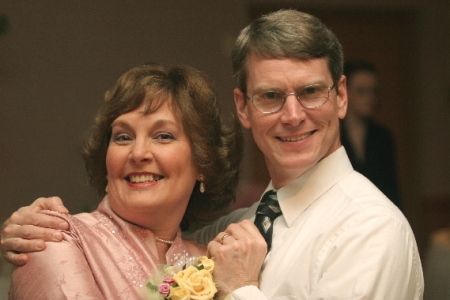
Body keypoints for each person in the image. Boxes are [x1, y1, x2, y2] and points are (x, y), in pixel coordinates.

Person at [2, 9, 424, 299]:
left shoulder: (370, 229)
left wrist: (241, 288)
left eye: (311, 92)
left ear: (341, 96)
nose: (293, 115)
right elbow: (158, 239)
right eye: (271, 96)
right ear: (243, 107)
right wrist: (35, 225)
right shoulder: (227, 233)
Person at [5, 62, 249, 299]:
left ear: (203, 162)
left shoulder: (215, 263)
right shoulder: (53, 238)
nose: (138, 153)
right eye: (123, 137)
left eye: (163, 136)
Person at [341, 60, 401, 208]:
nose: (369, 98)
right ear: (344, 92)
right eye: (361, 91)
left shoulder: (382, 137)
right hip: (342, 215)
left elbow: (392, 188)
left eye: (373, 91)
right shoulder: (332, 135)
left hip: (380, 213)